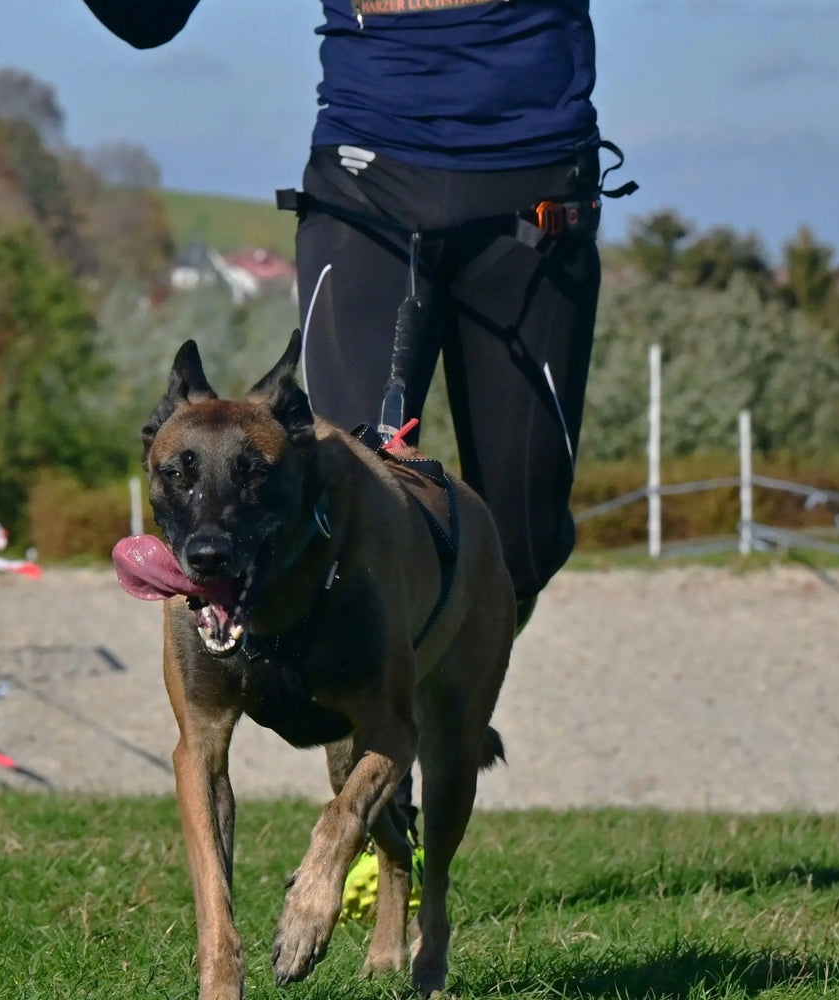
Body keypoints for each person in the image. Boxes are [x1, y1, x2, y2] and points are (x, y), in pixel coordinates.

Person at [82, 0, 630, 908]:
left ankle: (430, 691)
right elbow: (150, 20)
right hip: (367, 179)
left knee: (524, 537)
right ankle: (378, 806)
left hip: (537, 186)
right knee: (343, 512)